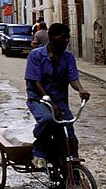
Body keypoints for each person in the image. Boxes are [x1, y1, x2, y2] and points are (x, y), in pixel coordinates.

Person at [25, 23, 90, 167]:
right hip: (39, 99)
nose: (67, 40)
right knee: (48, 120)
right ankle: (39, 151)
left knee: (69, 137)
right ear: (53, 37)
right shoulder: (36, 55)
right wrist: (50, 103)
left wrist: (80, 90)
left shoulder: (68, 57)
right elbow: (36, 82)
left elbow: (73, 78)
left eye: (68, 37)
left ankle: (74, 177)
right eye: (63, 37)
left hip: (60, 101)